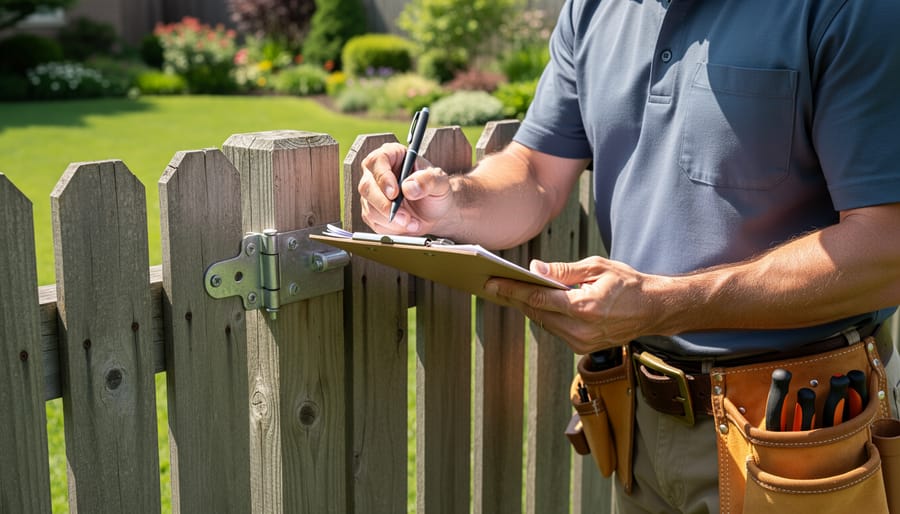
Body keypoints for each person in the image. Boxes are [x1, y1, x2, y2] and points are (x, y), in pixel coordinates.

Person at [358, 0, 900, 512]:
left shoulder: (851, 10)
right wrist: (450, 203)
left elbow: (888, 248)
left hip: (797, 438)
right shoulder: (594, 9)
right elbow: (536, 173)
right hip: (638, 425)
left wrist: (666, 304)